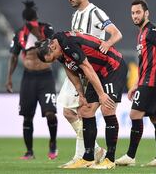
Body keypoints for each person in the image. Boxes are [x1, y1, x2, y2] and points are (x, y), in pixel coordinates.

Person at [36, 30, 127, 169]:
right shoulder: (58, 48)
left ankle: (110, 159)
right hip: (97, 72)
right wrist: (81, 94)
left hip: (112, 67)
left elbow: (87, 67)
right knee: (85, 110)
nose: (55, 60)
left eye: (52, 58)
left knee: (107, 108)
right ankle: (88, 157)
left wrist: (101, 94)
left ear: (52, 47)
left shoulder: (68, 44)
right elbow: (69, 69)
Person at [58, 0, 123, 168]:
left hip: (92, 68)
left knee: (80, 110)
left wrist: (108, 44)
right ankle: (93, 151)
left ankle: (85, 155)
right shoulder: (75, 15)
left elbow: (116, 33)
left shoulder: (95, 12)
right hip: (79, 68)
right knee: (70, 111)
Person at [115, 0, 156, 167]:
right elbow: (144, 63)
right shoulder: (141, 33)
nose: (135, 16)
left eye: (138, 12)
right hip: (146, 81)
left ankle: (130, 156)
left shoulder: (153, 30)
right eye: (133, 13)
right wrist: (135, 84)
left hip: (153, 82)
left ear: (146, 13)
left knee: (134, 114)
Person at [5, 0, 58, 160]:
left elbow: (52, 46)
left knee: (50, 113)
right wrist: (9, 78)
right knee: (27, 116)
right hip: (28, 77)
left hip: (45, 76)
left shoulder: (46, 28)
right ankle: (29, 152)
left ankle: (53, 144)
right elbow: (14, 57)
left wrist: (36, 32)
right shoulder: (19, 33)